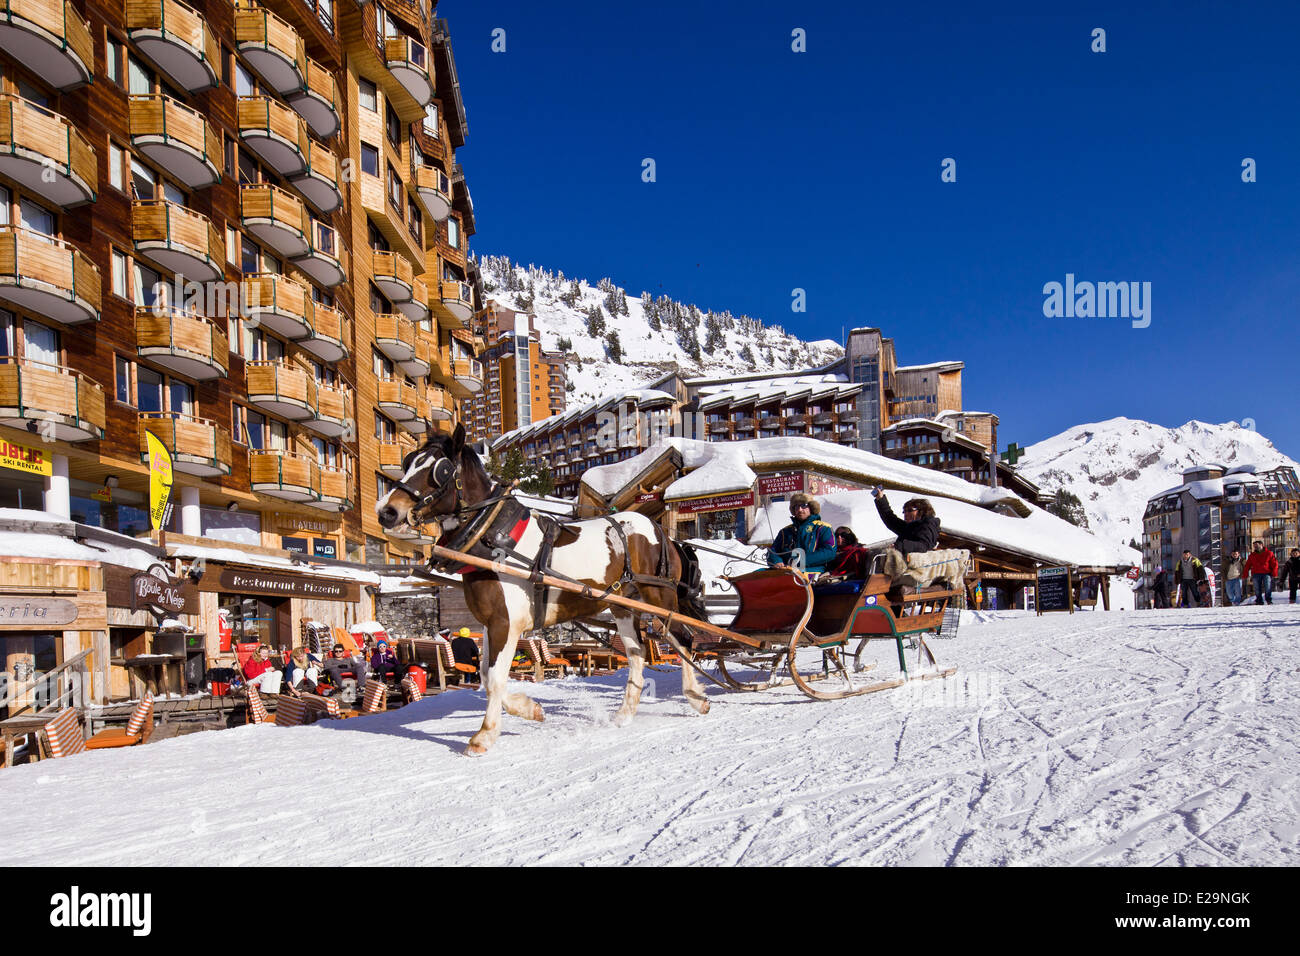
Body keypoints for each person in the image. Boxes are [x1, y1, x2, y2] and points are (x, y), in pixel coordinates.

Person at [872, 488, 940, 586]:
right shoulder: (910, 526)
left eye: (909, 510)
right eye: (904, 511)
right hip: (904, 566)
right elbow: (891, 520)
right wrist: (880, 499)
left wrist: (900, 545)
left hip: (915, 569)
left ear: (922, 511)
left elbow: (924, 546)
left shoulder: (928, 525)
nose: (906, 514)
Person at [766, 492, 836, 573]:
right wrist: (776, 561)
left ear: (811, 507)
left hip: (813, 570)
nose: (799, 509)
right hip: (785, 569)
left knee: (795, 576)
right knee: (758, 575)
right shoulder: (785, 531)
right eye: (796, 506)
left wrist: (800, 561)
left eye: (803, 506)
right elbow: (773, 550)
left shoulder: (823, 528)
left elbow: (829, 552)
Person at [1243, 540, 1279, 605]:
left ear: (1261, 545)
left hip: (1266, 573)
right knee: (1257, 588)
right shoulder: (1252, 555)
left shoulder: (1269, 553)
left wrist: (1274, 573)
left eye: (1256, 545)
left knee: (1267, 587)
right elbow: (1247, 565)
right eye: (1254, 546)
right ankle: (1259, 601)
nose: (1255, 547)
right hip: (1256, 573)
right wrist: (1245, 574)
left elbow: (1274, 563)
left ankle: (1268, 600)